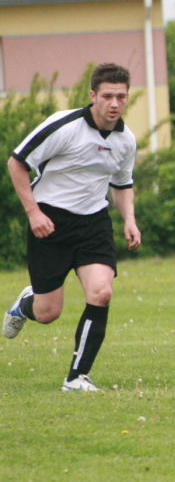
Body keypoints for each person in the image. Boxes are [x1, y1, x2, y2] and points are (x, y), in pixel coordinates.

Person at [4, 62, 141, 391]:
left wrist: (129, 220)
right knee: (48, 312)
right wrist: (33, 213)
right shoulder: (64, 126)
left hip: (93, 223)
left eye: (121, 97)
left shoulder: (125, 140)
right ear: (92, 95)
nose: (114, 103)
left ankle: (77, 377)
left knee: (101, 293)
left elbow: (122, 184)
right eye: (107, 96)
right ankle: (26, 303)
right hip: (50, 221)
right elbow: (16, 163)